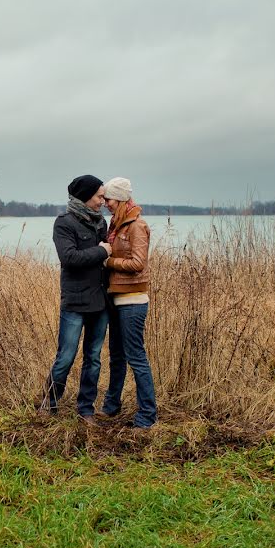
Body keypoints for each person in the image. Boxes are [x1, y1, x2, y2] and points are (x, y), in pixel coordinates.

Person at [38, 174, 112, 426]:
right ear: (85, 196)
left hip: (100, 302)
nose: (103, 200)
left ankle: (86, 410)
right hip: (75, 302)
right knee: (66, 356)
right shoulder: (64, 224)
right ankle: (49, 404)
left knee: (93, 358)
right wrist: (102, 251)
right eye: (100, 195)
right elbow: (70, 258)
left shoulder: (101, 223)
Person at [98, 177, 157, 428]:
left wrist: (108, 261)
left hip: (132, 301)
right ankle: (111, 406)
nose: (105, 204)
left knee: (135, 356)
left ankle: (147, 415)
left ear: (120, 199)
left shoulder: (136, 226)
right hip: (116, 299)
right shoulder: (116, 225)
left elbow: (137, 263)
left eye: (109, 199)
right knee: (116, 356)